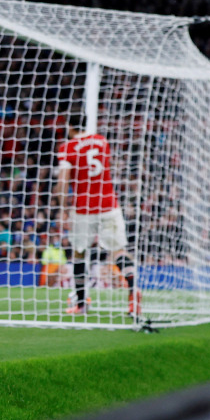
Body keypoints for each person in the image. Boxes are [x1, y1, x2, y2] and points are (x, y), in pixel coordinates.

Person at [56, 116, 139, 316]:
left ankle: (82, 303)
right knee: (118, 252)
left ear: (70, 126)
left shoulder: (68, 147)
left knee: (79, 253)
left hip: (84, 208)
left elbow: (63, 180)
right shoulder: (103, 142)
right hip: (109, 204)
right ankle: (133, 294)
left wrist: (63, 209)